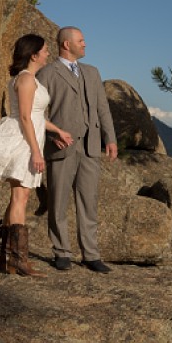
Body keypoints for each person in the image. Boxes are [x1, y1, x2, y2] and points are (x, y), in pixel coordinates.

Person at [0, 34, 74, 277]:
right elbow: (24, 117)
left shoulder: (28, 80)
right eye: (43, 51)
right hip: (23, 141)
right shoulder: (26, 80)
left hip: (29, 138)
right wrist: (35, 152)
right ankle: (19, 261)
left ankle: (7, 259)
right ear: (33, 55)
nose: (47, 54)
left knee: (18, 198)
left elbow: (37, 116)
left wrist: (57, 131)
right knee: (21, 197)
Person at [37, 26, 118, 273]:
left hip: (91, 146)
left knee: (89, 203)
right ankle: (61, 252)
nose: (85, 45)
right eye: (81, 41)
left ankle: (91, 255)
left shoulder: (92, 73)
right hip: (62, 146)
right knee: (58, 201)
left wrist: (110, 138)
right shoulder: (47, 73)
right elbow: (36, 111)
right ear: (66, 44)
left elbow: (102, 108)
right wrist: (52, 134)